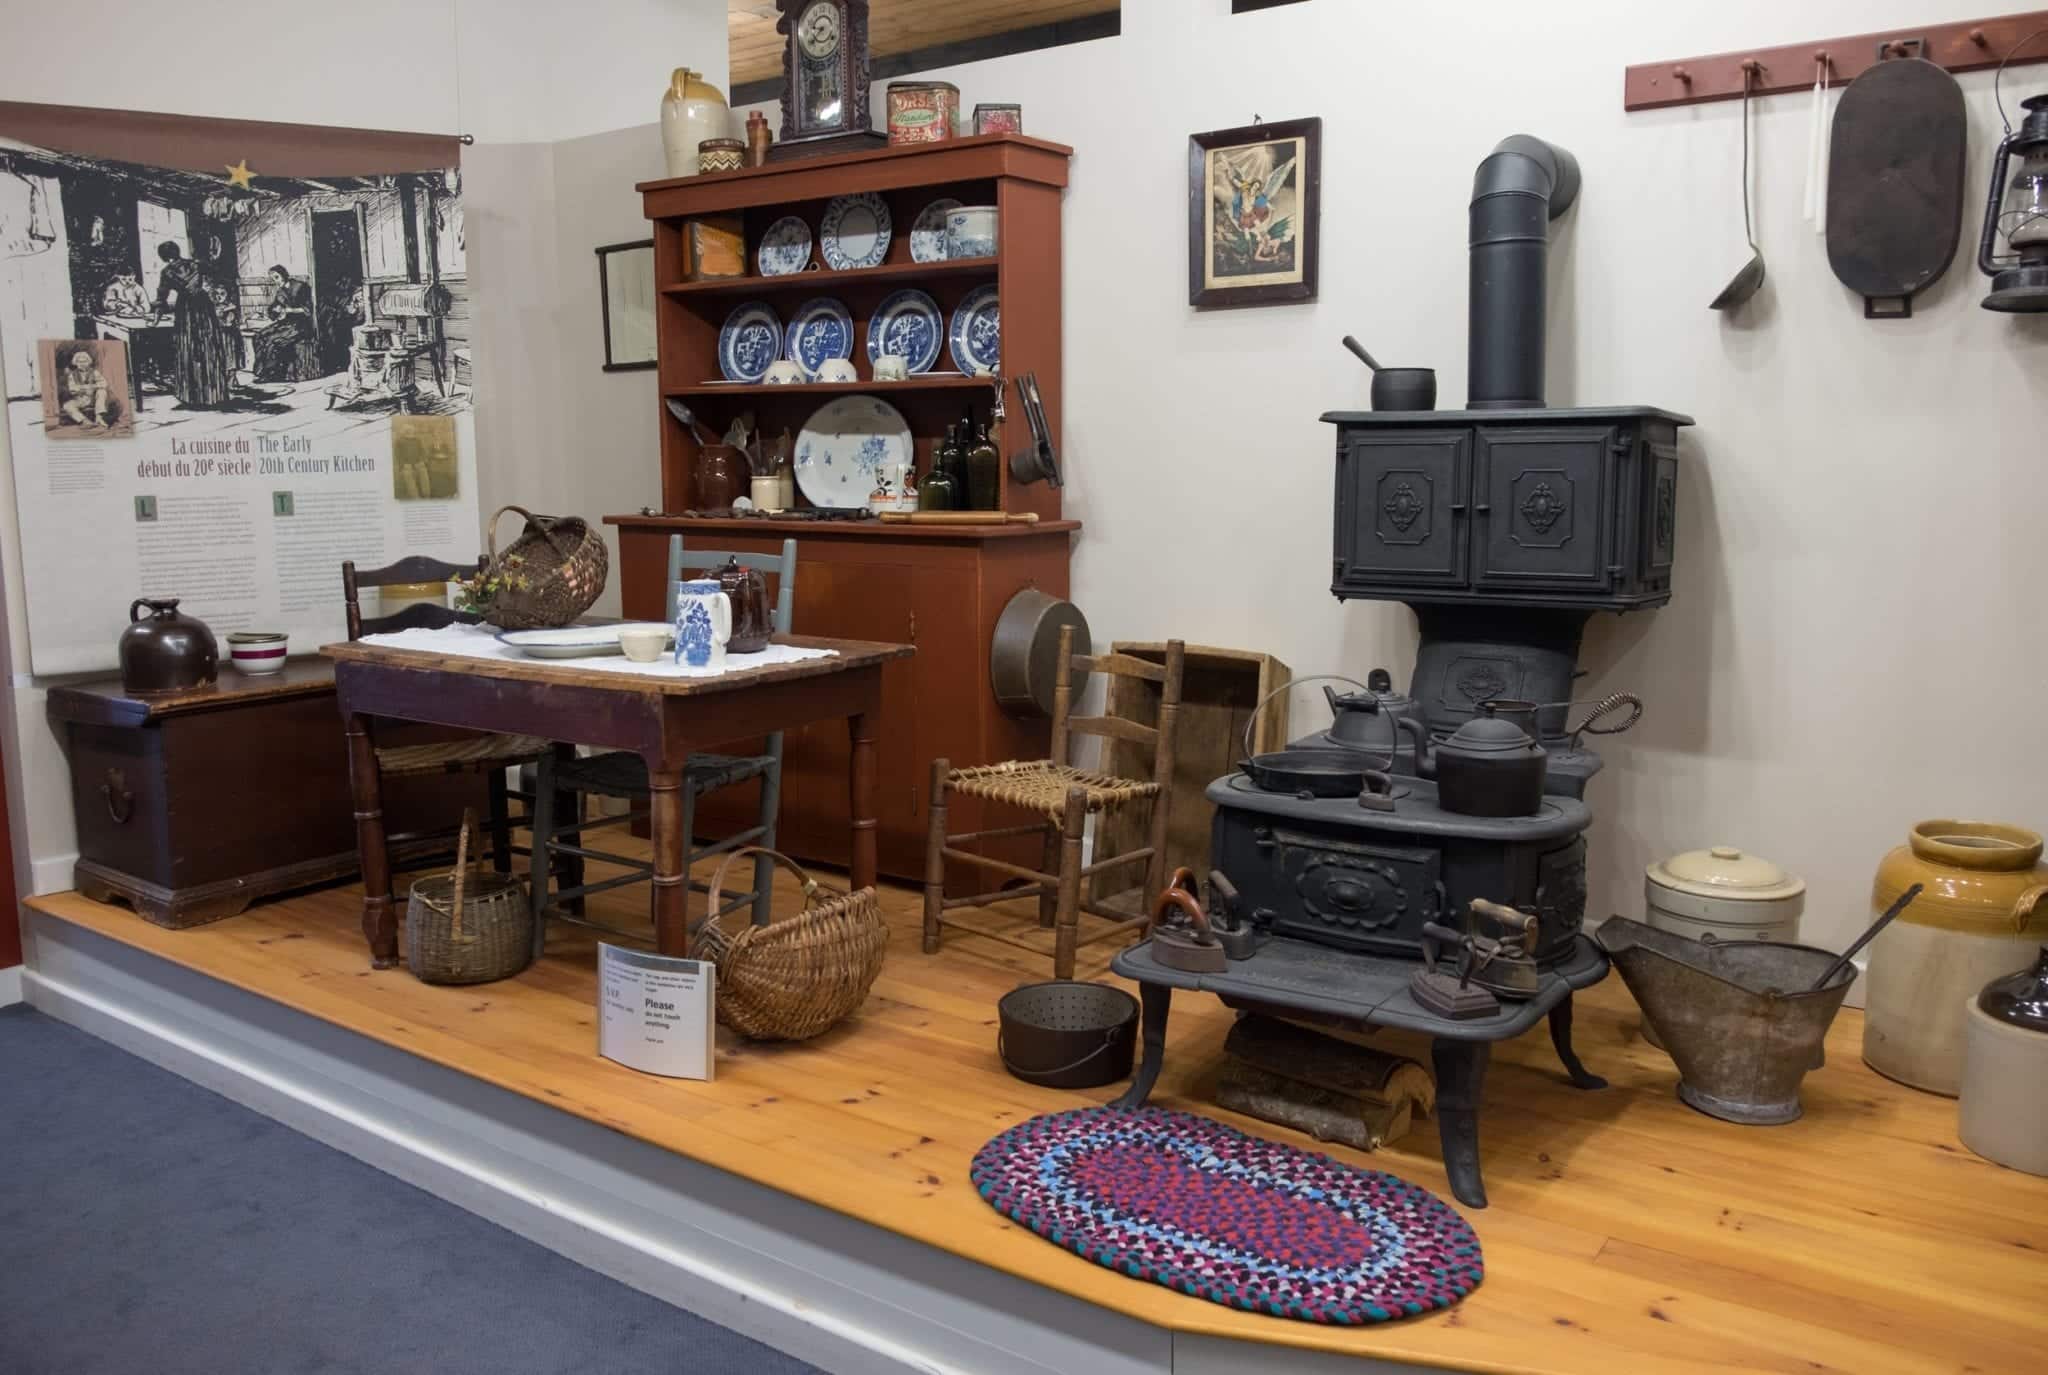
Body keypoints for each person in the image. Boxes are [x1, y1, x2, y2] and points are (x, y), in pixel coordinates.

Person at [149, 242, 236, 408]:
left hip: (186, 309)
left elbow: (161, 300)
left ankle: (193, 397)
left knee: (190, 349)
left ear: (163, 257)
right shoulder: (196, 264)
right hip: (204, 306)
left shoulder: (166, 272)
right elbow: (217, 271)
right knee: (209, 346)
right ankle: (215, 394)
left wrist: (155, 321)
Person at [252, 263, 316, 381]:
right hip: (285, 323)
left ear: (283, 274)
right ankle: (261, 371)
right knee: (259, 336)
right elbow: (274, 308)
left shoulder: (300, 287)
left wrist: (288, 310)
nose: (275, 281)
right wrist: (274, 311)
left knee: (273, 340)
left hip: (300, 325)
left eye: (276, 277)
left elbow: (307, 310)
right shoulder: (280, 292)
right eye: (272, 279)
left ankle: (271, 374)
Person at [56, 348, 109, 427]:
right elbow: (72, 388)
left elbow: (104, 383)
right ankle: (85, 421)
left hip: (93, 398)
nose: (82, 363)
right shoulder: (72, 375)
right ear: (76, 363)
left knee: (102, 391)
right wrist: (85, 388)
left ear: (88, 362)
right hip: (80, 398)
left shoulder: (94, 372)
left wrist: (91, 387)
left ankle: (99, 418)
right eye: (79, 361)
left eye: (84, 361)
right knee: (67, 405)